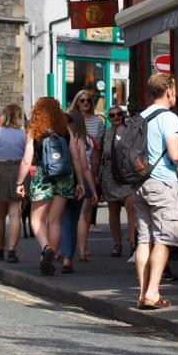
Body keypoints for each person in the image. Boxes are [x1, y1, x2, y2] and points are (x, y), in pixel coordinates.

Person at [134, 73, 178, 310]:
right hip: (162, 183)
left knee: (144, 239)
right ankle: (152, 293)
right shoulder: (168, 117)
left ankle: (142, 293)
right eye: (175, 90)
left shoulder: (140, 116)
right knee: (163, 239)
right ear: (168, 91)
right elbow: (175, 153)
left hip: (140, 183)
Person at [18, 97, 86, 275]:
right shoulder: (65, 130)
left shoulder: (34, 130)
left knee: (36, 219)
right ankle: (50, 259)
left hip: (42, 176)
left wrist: (19, 182)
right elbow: (76, 158)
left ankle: (46, 248)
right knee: (55, 220)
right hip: (64, 177)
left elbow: (26, 160)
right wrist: (80, 182)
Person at [0, 104, 26, 262]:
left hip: (0, 170)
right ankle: (12, 252)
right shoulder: (24, 133)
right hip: (18, 171)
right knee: (15, 215)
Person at [56, 112, 97, 273]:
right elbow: (85, 167)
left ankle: (60, 252)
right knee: (72, 221)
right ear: (71, 124)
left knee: (60, 220)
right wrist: (91, 189)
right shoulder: (77, 140)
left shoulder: (51, 139)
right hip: (75, 182)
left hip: (58, 182)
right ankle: (68, 257)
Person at [70, 89, 103, 262]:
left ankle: (79, 249)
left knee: (82, 214)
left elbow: (97, 153)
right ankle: (72, 250)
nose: (85, 103)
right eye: (82, 100)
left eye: (88, 100)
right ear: (77, 102)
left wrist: (96, 177)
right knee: (74, 214)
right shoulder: (71, 119)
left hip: (88, 168)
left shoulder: (97, 122)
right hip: (79, 171)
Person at [101, 105, 137, 258]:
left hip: (127, 174)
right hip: (110, 175)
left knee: (131, 208)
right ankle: (117, 244)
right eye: (112, 115)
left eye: (118, 114)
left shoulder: (130, 131)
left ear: (123, 115)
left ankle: (133, 244)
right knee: (113, 210)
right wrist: (98, 175)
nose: (115, 117)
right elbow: (101, 156)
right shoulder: (107, 133)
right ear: (109, 118)